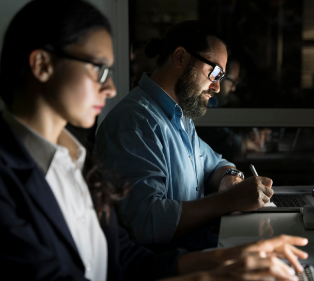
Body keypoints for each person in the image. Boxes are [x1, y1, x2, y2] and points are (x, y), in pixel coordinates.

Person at [0, 0, 309, 281]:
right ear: (42, 65)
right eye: (99, 69)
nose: (109, 89)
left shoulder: (77, 160)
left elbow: (123, 258)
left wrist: (231, 258)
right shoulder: (129, 126)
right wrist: (210, 280)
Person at [95, 20, 274, 250]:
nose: (218, 87)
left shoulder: (180, 117)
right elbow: (147, 221)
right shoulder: (136, 124)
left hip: (195, 251)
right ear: (180, 58)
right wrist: (229, 200)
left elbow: (215, 162)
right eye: (215, 72)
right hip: (165, 271)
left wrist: (229, 176)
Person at [197, 56, 272, 160]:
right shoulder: (204, 104)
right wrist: (244, 144)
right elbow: (214, 135)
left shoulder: (215, 103)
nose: (233, 88)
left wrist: (246, 136)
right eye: (233, 82)